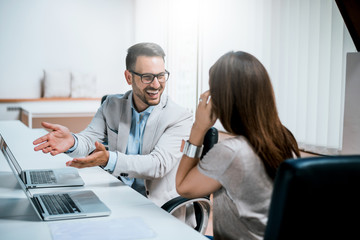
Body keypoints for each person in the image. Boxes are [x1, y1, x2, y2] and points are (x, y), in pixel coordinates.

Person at [33, 42, 193, 212]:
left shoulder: (179, 116)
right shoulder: (112, 104)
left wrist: (109, 159)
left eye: (161, 75)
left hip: (158, 208)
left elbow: (157, 165)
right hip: (116, 198)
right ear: (129, 77)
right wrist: (72, 141)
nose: (156, 84)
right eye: (147, 77)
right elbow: (88, 140)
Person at [176, 51, 300, 239]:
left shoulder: (230, 152)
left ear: (224, 100)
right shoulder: (283, 137)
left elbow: (183, 187)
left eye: (212, 92)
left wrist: (198, 128)